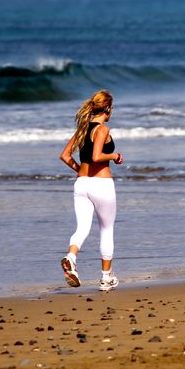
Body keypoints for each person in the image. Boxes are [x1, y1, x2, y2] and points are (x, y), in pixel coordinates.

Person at [59, 89, 123, 291]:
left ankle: (71, 257)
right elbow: (96, 157)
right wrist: (114, 156)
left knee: (82, 229)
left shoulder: (82, 129)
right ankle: (106, 278)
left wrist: (81, 172)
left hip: (82, 184)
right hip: (101, 185)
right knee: (106, 230)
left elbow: (65, 156)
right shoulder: (102, 129)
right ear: (108, 109)